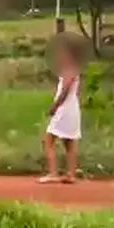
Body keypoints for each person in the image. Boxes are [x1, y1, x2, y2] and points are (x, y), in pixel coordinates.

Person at [40, 36, 83, 184]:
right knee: (69, 142)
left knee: (49, 139)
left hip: (65, 108)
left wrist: (55, 106)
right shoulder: (73, 69)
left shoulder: (69, 70)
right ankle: (70, 174)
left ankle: (53, 173)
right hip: (70, 107)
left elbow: (65, 90)